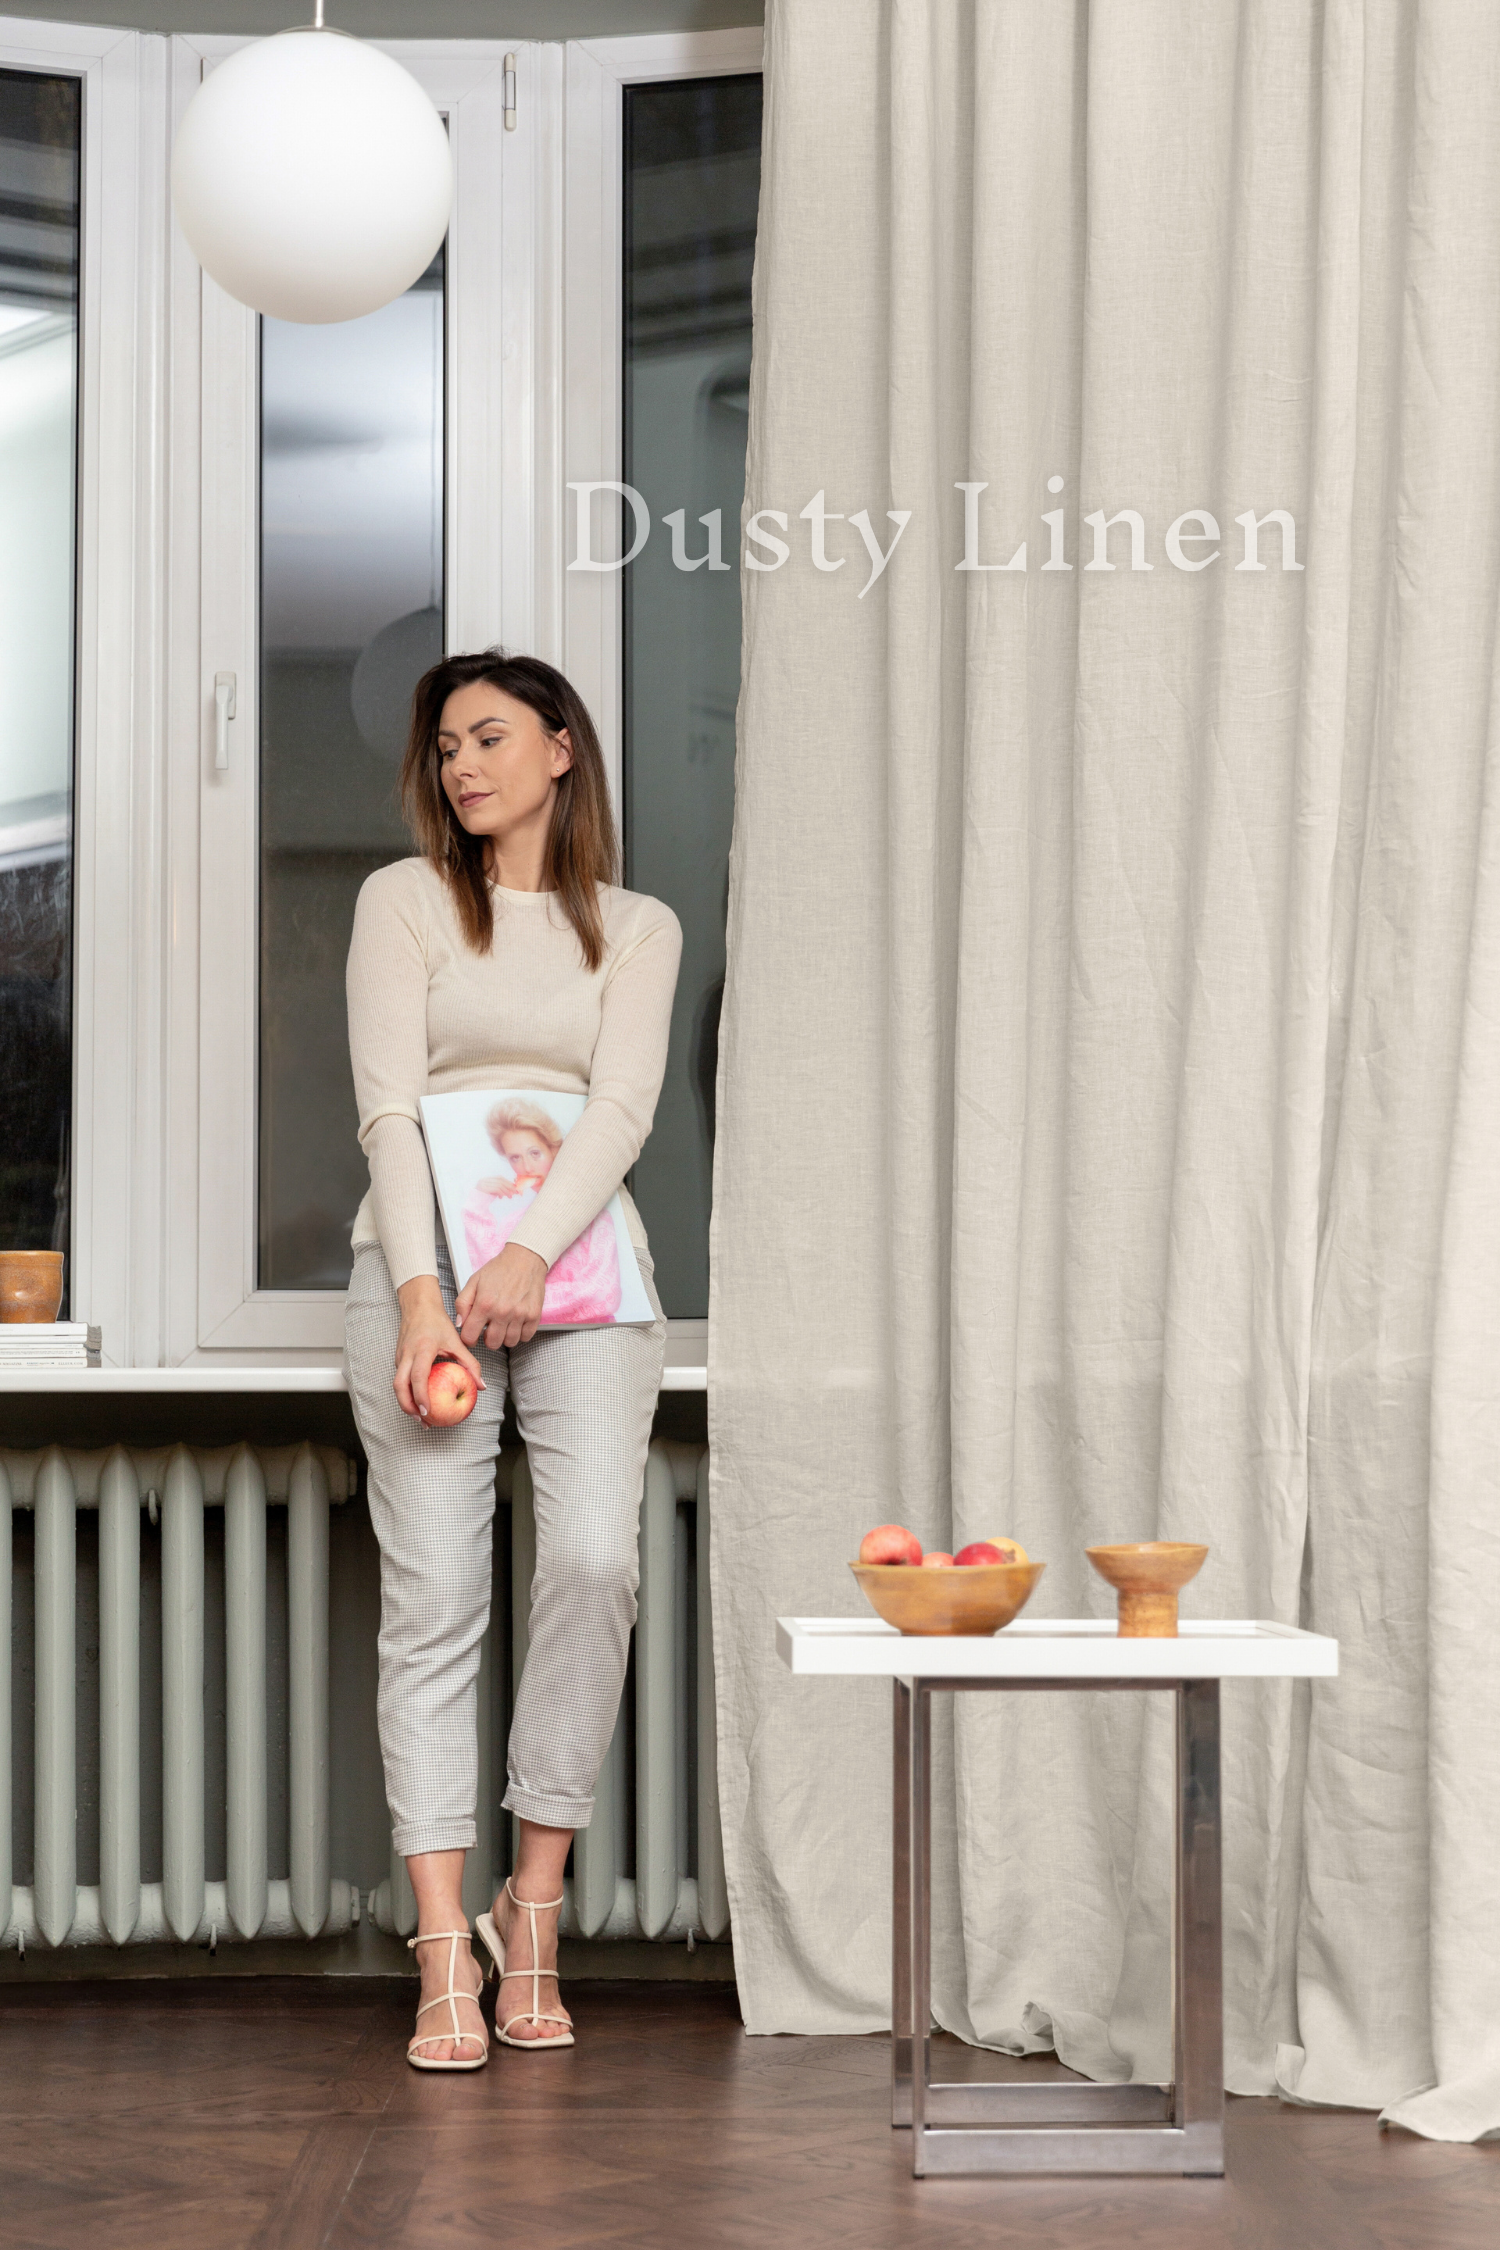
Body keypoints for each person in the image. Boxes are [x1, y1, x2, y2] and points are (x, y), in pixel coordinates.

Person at [343, 649, 681, 2067]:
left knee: (598, 1561)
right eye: (443, 749)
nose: (461, 765)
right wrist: (427, 1294)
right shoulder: (405, 901)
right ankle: (442, 1948)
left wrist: (531, 1253)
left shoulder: (638, 926)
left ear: (560, 747)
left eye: (488, 737)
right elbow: (389, 1110)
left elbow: (621, 1108)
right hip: (420, 1275)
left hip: (588, 1275)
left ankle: (528, 1910)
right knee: (434, 1598)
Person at [463, 1098, 624, 1324]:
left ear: (554, 1151)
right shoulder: (512, 1223)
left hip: (585, 1338)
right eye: (515, 1158)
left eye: (535, 1153)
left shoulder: (594, 1216)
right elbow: (485, 1282)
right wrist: (480, 1201)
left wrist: (519, 1301)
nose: (527, 1167)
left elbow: (602, 1295)